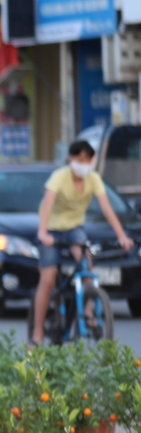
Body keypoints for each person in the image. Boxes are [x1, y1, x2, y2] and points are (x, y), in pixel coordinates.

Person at [30, 140, 135, 345]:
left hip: (74, 229)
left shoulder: (93, 179)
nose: (84, 164)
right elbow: (47, 205)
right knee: (48, 278)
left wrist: (122, 236)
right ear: (70, 159)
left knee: (86, 265)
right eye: (80, 160)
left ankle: (89, 313)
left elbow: (107, 209)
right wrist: (42, 233)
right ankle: (37, 332)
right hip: (51, 228)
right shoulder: (59, 177)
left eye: (88, 160)